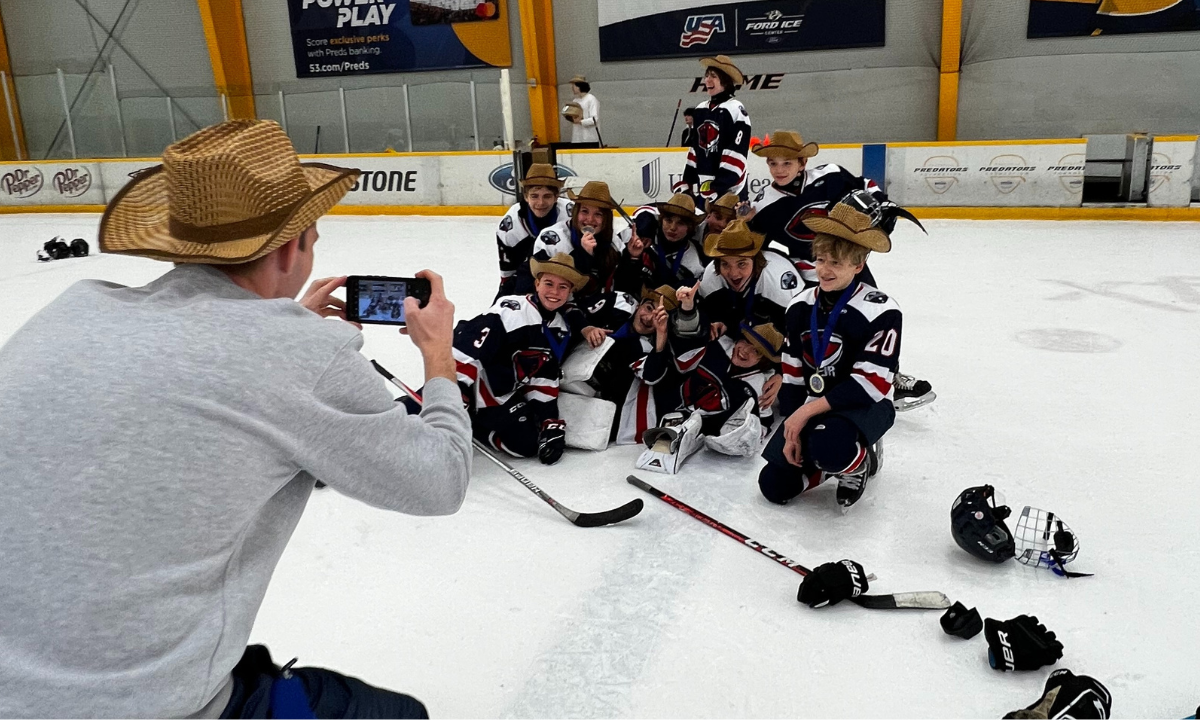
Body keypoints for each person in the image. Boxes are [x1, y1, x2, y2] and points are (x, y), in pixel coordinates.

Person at [0, 119, 472, 718]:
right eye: (312, 237)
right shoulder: (301, 355)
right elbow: (441, 480)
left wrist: (278, 326)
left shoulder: (72, 310)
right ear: (290, 249)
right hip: (149, 705)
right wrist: (437, 354)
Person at [758, 195, 906, 511]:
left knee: (831, 446)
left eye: (836, 263)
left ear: (858, 265)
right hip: (816, 404)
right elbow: (793, 372)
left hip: (866, 404)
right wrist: (793, 423)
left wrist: (804, 415)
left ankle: (858, 462)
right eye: (821, 259)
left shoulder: (882, 310)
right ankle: (826, 463)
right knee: (774, 485)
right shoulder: (799, 306)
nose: (824, 270)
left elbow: (870, 384)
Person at [453, 253, 598, 464]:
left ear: (570, 292)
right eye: (548, 283)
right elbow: (470, 342)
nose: (554, 292)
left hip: (501, 394)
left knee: (526, 445)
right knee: (417, 413)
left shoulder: (560, 328)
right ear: (537, 284)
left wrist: (549, 422)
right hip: (473, 385)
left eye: (563, 287)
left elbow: (543, 375)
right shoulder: (512, 308)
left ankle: (475, 426)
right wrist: (458, 389)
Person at [522, 180, 638, 300]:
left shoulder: (614, 242)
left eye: (598, 214)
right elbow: (546, 289)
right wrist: (583, 255)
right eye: (584, 211)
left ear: (606, 219)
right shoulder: (552, 238)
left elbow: (624, 286)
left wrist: (633, 258)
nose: (590, 219)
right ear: (576, 212)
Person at [696, 219, 799, 339]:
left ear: (755, 261)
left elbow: (797, 331)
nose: (733, 274)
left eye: (741, 264)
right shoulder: (711, 277)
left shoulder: (779, 278)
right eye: (725, 264)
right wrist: (724, 324)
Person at [677, 55, 751, 205]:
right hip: (705, 186)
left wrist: (719, 185)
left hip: (731, 188)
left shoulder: (735, 109)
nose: (707, 80)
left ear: (725, 80)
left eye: (713, 76)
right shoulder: (700, 109)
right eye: (706, 76)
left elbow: (737, 151)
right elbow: (695, 148)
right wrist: (687, 180)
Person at [496, 162, 573, 297]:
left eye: (547, 196)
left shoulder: (571, 214)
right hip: (525, 277)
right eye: (534, 196)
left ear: (556, 197)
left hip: (564, 280)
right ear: (526, 197)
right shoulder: (510, 225)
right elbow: (508, 274)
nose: (540, 203)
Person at [623, 192, 706, 290]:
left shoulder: (697, 261)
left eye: (681, 223)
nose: (673, 228)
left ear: (690, 227)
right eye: (668, 220)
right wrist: (633, 259)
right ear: (661, 220)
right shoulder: (643, 239)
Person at [693, 192, 739, 264]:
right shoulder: (691, 233)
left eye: (729, 221)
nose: (722, 225)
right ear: (708, 216)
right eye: (718, 217)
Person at [567, 74, 600, 145]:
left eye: (574, 85)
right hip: (577, 138)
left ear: (580, 86)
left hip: (589, 138)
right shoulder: (575, 101)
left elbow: (594, 119)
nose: (572, 88)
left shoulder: (591, 99)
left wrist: (580, 121)